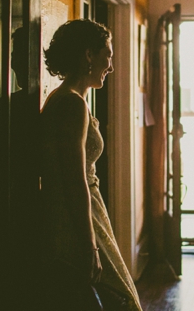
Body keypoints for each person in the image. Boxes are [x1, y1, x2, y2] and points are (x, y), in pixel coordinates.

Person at [40, 19, 142, 311]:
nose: (110, 65)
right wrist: (90, 246)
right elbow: (75, 181)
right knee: (122, 302)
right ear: (89, 55)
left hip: (72, 216)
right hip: (78, 222)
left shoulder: (62, 99)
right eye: (107, 55)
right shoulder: (72, 104)